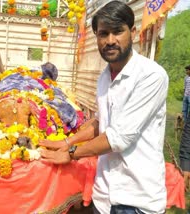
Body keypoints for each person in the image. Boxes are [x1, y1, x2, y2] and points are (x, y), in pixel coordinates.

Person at [39, 1, 168, 213]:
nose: (110, 41)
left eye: (117, 32)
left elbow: (119, 137)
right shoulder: (104, 77)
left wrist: (71, 153)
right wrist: (66, 141)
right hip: (104, 195)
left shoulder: (151, 76)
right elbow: (101, 123)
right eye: (103, 34)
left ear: (133, 33)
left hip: (136, 200)